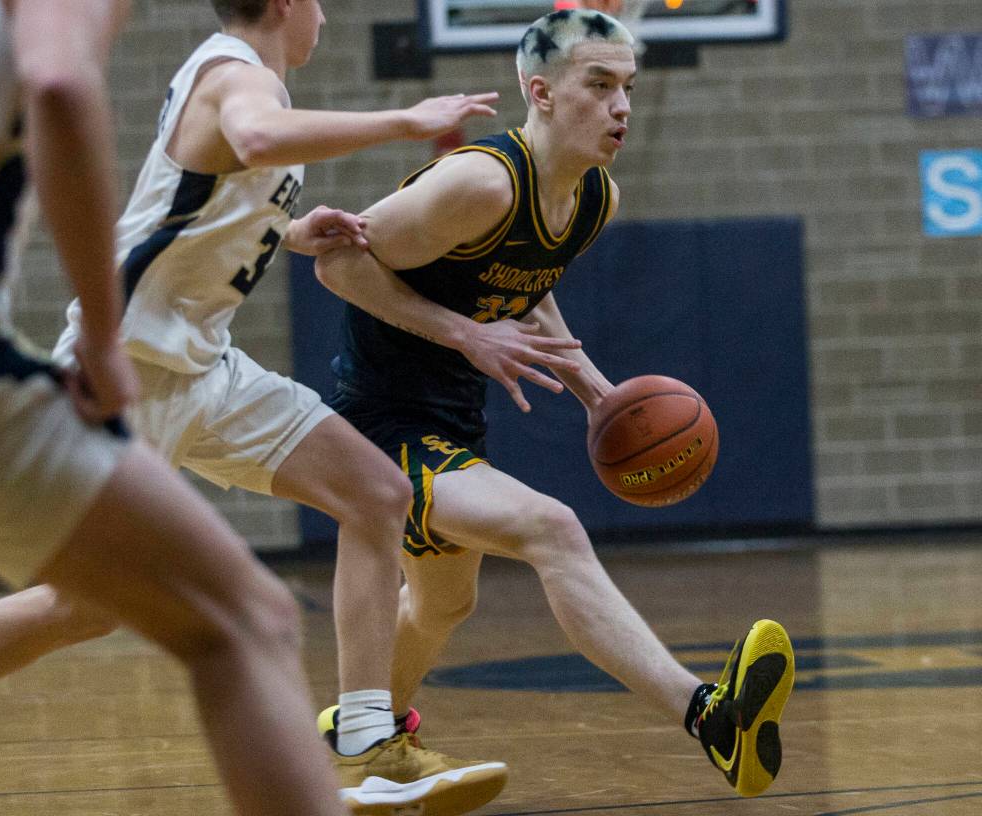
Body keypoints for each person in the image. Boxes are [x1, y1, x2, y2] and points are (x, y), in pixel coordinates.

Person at [0, 0, 510, 813]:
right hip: (133, 366)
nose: (323, 16)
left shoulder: (238, 81)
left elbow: (198, 191)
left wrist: (292, 228)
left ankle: (370, 735)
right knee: (81, 609)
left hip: (207, 369)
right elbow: (251, 140)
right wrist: (405, 117)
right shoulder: (237, 77)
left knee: (376, 494)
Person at [313, 9, 796, 799]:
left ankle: (363, 739)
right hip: (376, 426)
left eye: (628, 88)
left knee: (441, 604)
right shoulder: (478, 183)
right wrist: (466, 336)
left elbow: (526, 295)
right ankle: (711, 718)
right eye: (599, 85)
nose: (622, 107)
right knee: (553, 528)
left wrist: (596, 392)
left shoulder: (593, 199)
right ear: (539, 93)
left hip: (450, 421)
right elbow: (337, 265)